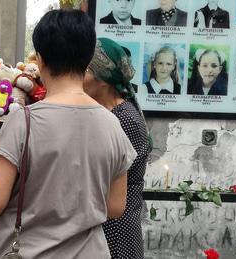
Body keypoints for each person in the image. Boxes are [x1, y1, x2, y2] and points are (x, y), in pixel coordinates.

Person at [0, 9, 137, 258]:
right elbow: (115, 207)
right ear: (87, 61)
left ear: (40, 60)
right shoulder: (112, 124)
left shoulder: (23, 120)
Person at [84, 37, 150, 259]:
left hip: (115, 236)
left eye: (84, 70)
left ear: (103, 78)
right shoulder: (108, 113)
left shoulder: (124, 121)